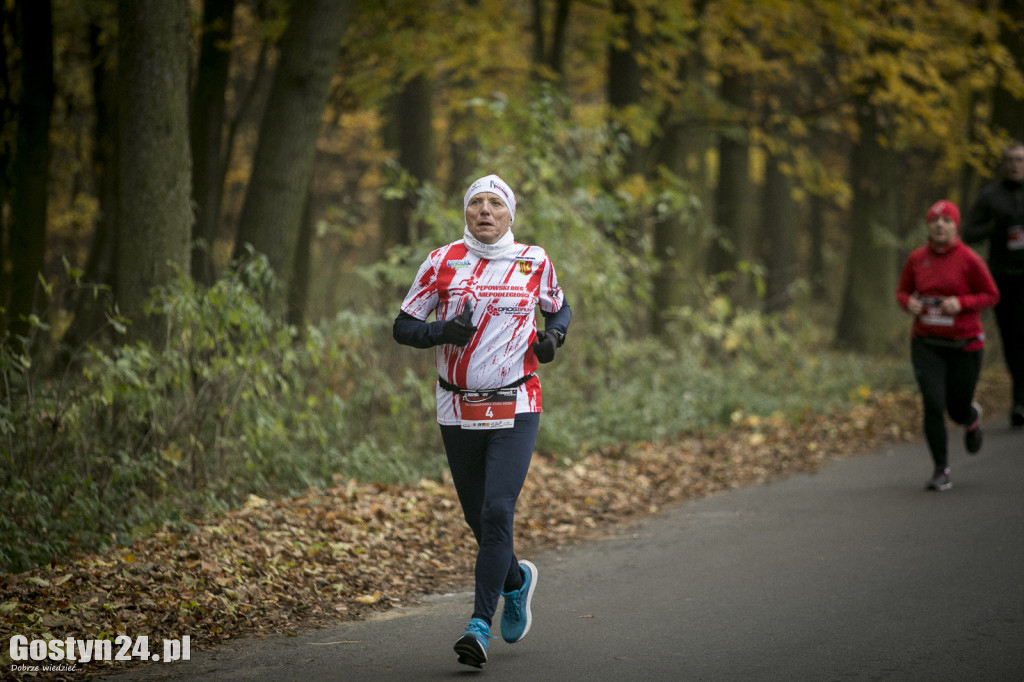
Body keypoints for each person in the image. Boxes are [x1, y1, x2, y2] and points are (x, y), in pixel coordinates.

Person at [392, 174, 571, 668]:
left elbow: (559, 309)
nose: (485, 211)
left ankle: (478, 626)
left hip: (517, 402)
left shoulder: (534, 260)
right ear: (466, 213)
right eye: (476, 204)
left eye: (496, 203)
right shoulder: (441, 261)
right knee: (477, 517)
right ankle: (515, 581)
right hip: (457, 405)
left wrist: (553, 338)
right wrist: (442, 331)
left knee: (497, 512)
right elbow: (403, 326)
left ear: (511, 214)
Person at [896, 199, 1000, 491]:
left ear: (955, 227)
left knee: (956, 409)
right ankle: (941, 469)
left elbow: (991, 295)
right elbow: (902, 291)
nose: (940, 225)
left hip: (965, 344)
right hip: (926, 343)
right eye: (935, 220)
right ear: (928, 226)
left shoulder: (969, 260)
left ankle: (970, 417)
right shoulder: (917, 259)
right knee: (932, 403)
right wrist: (910, 303)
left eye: (947, 221)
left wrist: (962, 304)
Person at [961, 141, 1024, 428]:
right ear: (1002, 163)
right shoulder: (990, 196)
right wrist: (995, 227)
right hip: (1003, 277)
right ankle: (1019, 399)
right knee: (1013, 339)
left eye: (1020, 160)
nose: (1014, 165)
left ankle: (1020, 400)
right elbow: (969, 232)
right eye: (1009, 160)